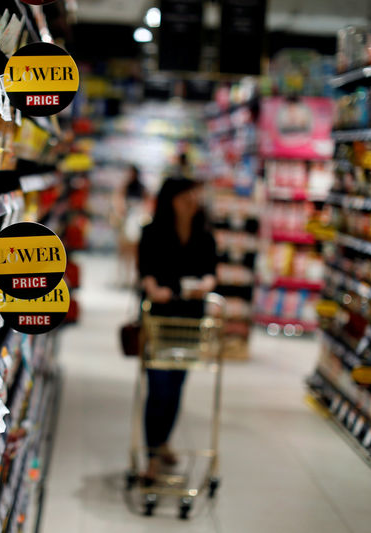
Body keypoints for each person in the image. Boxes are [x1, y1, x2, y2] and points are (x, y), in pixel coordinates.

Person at [137, 176, 217, 480]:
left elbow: (211, 273)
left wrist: (206, 285)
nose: (192, 203)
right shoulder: (152, 233)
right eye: (186, 198)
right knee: (158, 386)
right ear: (171, 200)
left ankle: (163, 441)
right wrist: (153, 289)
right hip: (159, 318)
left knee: (176, 386)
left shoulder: (204, 236)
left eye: (194, 198)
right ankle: (152, 456)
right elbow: (145, 272)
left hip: (190, 319)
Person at [113, 164, 147, 287]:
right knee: (123, 250)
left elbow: (146, 203)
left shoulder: (141, 187)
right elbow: (119, 200)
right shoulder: (125, 186)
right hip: (126, 219)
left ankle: (133, 277)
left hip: (136, 220)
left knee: (135, 251)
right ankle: (123, 276)